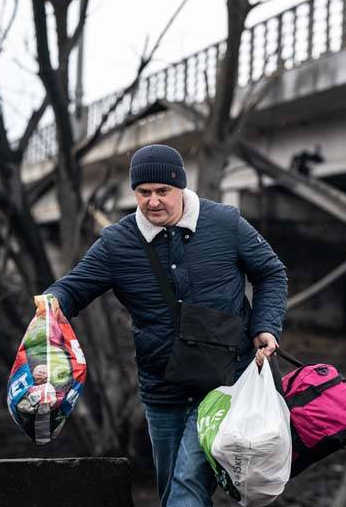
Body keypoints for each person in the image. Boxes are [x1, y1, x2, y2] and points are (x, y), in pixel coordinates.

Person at [44, 143, 288, 507]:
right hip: (163, 387)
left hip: (223, 382)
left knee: (187, 484)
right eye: (144, 192)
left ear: (181, 189)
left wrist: (265, 326)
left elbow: (271, 273)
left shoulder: (225, 223)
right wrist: (48, 306)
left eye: (163, 191)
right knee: (172, 490)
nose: (153, 201)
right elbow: (72, 288)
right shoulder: (117, 243)